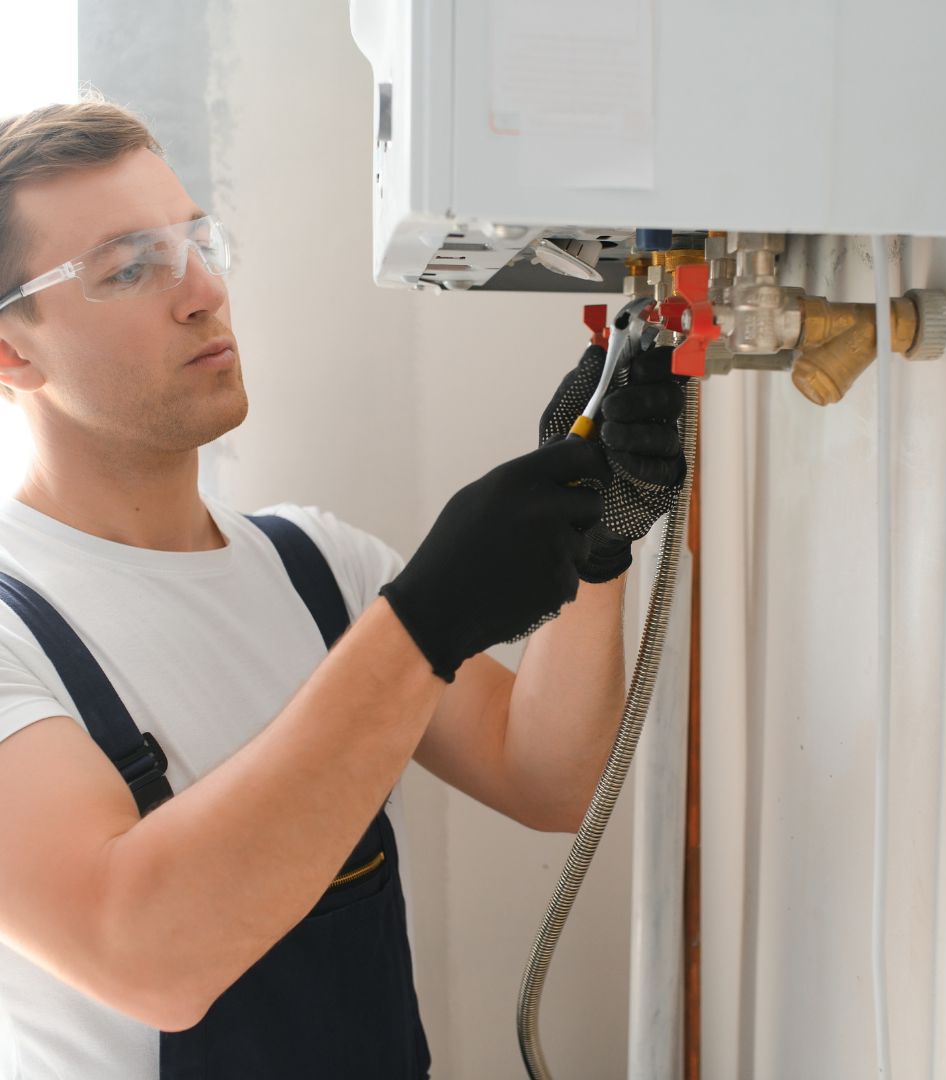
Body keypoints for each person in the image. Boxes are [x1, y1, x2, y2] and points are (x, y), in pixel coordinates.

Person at [0, 100, 686, 1080]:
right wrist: (422, 624)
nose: (201, 292)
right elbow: (145, 956)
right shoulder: (13, 635)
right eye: (129, 268)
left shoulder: (316, 569)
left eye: (194, 241)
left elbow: (550, 778)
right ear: (10, 351)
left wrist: (601, 544)